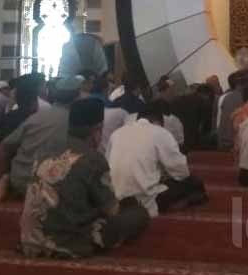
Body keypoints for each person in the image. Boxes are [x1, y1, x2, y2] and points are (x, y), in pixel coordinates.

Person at [19, 98, 150, 259]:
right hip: (66, 244)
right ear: (97, 130)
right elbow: (112, 210)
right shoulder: (93, 159)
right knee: (138, 214)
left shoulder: (45, 149)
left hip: (29, 239)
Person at [108, 101, 207, 217]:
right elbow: (182, 172)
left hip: (115, 196)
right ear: (160, 122)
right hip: (147, 199)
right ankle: (175, 205)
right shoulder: (160, 132)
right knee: (194, 183)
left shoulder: (117, 133)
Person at [0, 77, 80, 198]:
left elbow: (3, 147)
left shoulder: (36, 117)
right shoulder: (75, 123)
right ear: (77, 98)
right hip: (49, 188)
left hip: (19, 182)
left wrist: (2, 179)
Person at [216, 72, 246, 151]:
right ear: (240, 84)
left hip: (223, 140)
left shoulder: (225, 97)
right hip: (233, 144)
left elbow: (217, 120)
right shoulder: (242, 97)